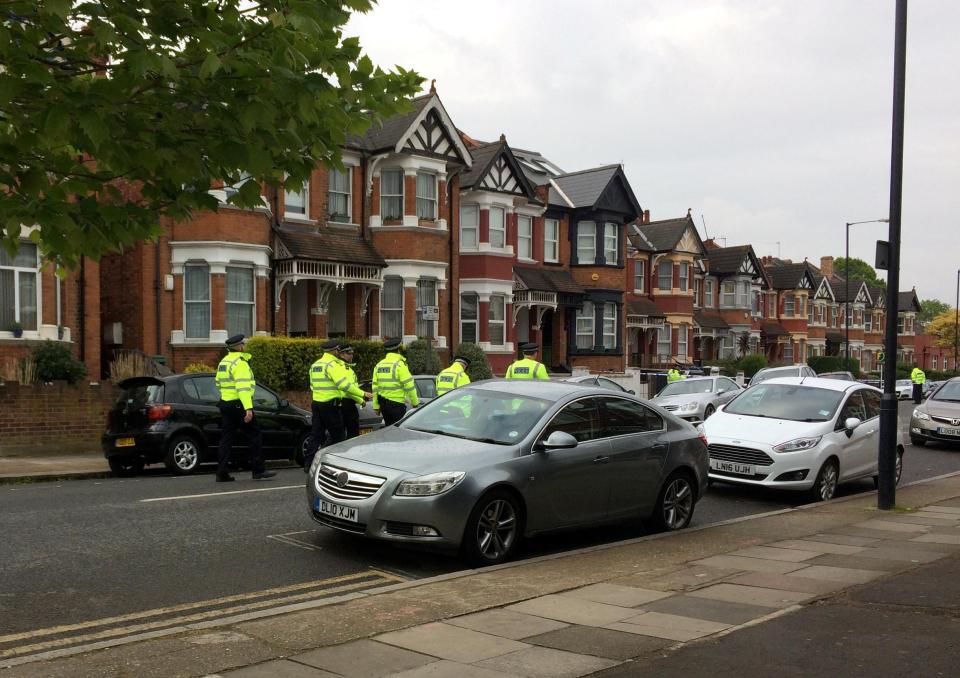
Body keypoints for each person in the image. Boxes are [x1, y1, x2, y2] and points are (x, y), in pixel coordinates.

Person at [214, 334, 276, 482]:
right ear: (240, 347)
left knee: (226, 439)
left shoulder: (224, 362)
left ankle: (221, 472)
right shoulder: (240, 363)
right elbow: (243, 388)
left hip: (225, 403)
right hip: (239, 404)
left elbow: (218, 383)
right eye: (243, 344)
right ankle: (258, 470)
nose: (244, 346)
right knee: (254, 435)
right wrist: (248, 408)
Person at [303, 339, 370, 471]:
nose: (338, 352)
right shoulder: (332, 365)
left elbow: (312, 385)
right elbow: (343, 385)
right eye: (338, 350)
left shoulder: (315, 365)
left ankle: (308, 464)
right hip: (330, 405)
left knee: (316, 434)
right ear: (334, 351)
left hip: (316, 404)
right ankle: (338, 465)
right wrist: (362, 394)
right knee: (339, 436)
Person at [372, 337, 419, 425]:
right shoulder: (399, 364)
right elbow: (409, 386)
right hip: (396, 405)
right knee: (399, 433)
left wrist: (376, 406)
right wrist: (415, 403)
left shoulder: (379, 365)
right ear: (399, 349)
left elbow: (375, 388)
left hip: (383, 406)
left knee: (389, 430)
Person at [337, 342, 366, 439]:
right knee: (352, 434)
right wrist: (360, 400)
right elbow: (347, 389)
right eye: (349, 353)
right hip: (346, 404)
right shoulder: (343, 368)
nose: (351, 355)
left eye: (352, 353)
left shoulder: (347, 368)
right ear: (341, 354)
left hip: (344, 404)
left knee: (339, 435)